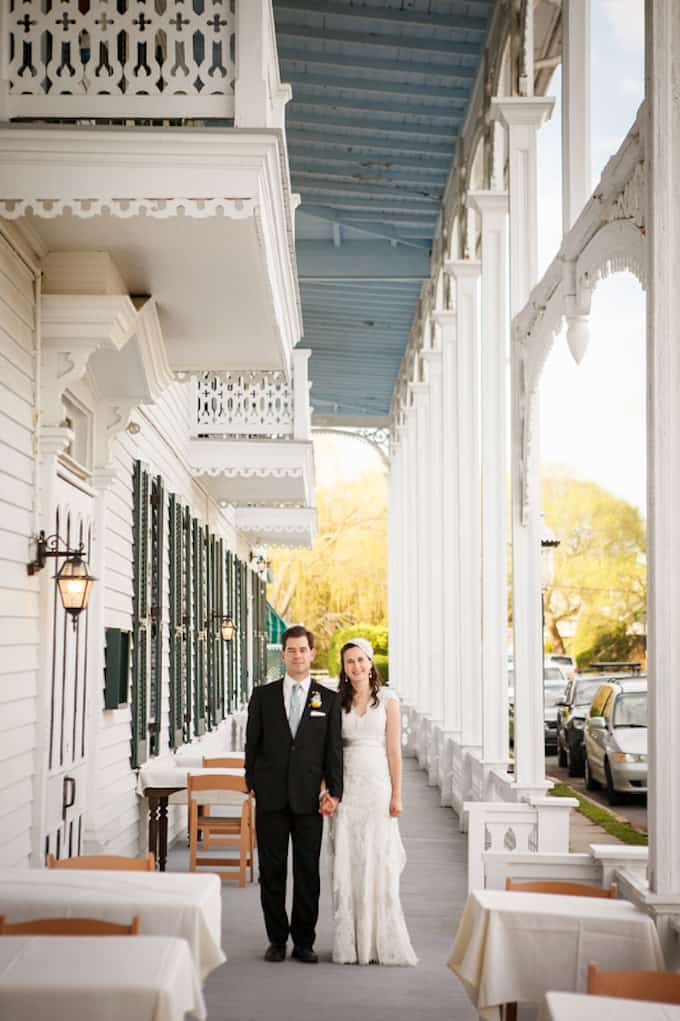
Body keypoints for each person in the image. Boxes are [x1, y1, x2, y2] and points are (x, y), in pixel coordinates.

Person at [245, 625, 343, 963]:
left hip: (309, 801)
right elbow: (252, 745)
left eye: (303, 649)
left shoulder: (328, 700)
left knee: (307, 873)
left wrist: (334, 790)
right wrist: (252, 782)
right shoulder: (263, 696)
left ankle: (304, 941)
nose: (298, 655)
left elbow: (333, 752)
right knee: (271, 873)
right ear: (283, 654)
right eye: (292, 650)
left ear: (312, 654)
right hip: (271, 799)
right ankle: (276, 939)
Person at [328, 637, 417, 966]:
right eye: (350, 661)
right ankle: (352, 943)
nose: (356, 666)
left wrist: (397, 795)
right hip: (348, 788)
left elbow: (394, 751)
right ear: (345, 667)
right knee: (350, 860)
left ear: (370, 663)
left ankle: (380, 940)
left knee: (379, 859)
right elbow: (331, 749)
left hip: (378, 786)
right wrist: (329, 789)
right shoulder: (338, 701)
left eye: (361, 660)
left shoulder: (388, 701)